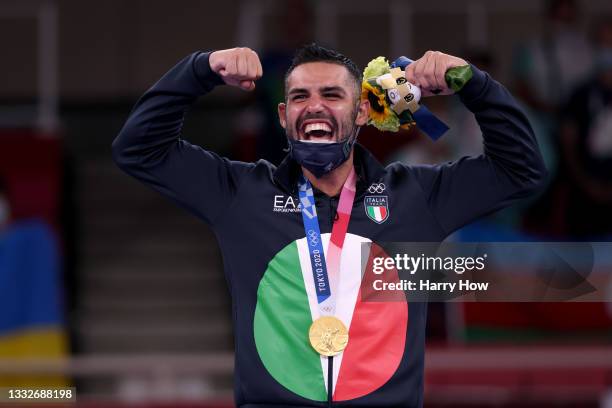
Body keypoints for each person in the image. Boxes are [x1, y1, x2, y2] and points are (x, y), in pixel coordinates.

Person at [112, 44, 546, 407]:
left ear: (360, 113)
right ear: (283, 117)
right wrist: (200, 70)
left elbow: (521, 169)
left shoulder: (414, 196)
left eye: (331, 94)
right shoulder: (242, 195)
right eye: (300, 96)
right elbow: (139, 150)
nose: (314, 104)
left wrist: (473, 84)